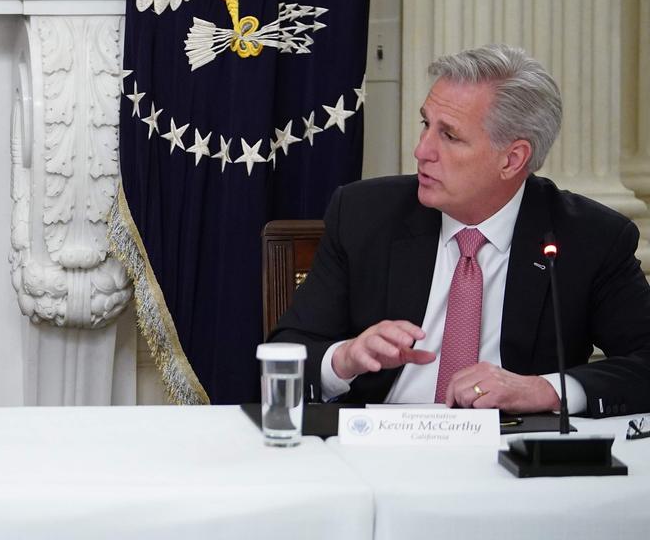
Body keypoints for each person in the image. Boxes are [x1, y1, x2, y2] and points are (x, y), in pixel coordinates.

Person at [271, 45, 650, 416]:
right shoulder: (362, 215)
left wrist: (546, 389)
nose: (422, 150)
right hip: (378, 446)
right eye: (426, 125)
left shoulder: (590, 238)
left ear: (512, 159)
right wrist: (345, 357)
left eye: (449, 136)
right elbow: (286, 352)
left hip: (513, 455)